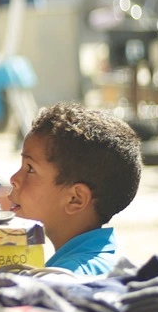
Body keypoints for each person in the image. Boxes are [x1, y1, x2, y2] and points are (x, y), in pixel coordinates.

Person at [9, 102, 142, 276]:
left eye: (30, 168)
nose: (14, 179)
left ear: (75, 199)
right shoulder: (101, 263)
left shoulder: (67, 279)